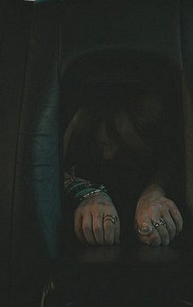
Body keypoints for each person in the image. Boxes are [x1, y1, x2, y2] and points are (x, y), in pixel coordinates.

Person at [63, 91, 183, 247]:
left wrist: (153, 192)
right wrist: (88, 193)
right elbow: (52, 173)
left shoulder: (159, 163)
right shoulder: (77, 120)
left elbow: (168, 165)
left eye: (128, 153)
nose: (108, 155)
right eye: (114, 134)